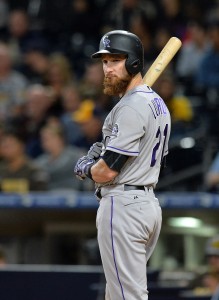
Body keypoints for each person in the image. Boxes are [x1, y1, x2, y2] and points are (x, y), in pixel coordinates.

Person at [74, 30, 171, 300]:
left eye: (115, 60)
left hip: (124, 205)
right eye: (104, 62)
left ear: (134, 63)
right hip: (145, 204)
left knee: (127, 296)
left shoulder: (130, 107)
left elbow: (106, 172)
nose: (108, 69)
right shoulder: (156, 103)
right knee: (118, 294)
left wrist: (87, 166)